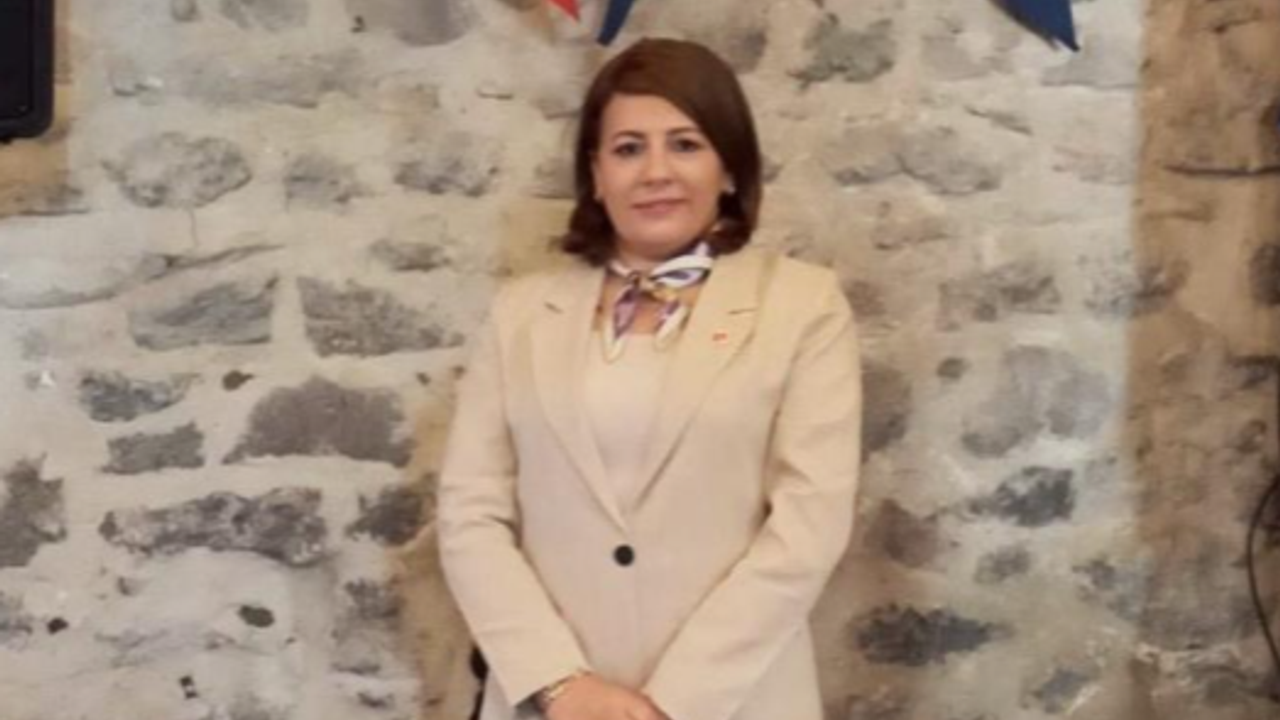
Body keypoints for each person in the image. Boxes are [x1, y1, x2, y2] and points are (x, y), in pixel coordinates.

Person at [438, 37, 862, 720]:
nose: (656, 171)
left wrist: (670, 704)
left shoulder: (803, 307)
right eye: (629, 148)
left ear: (730, 167)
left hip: (736, 700)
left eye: (686, 145)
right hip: (553, 705)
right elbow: (470, 516)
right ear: (597, 174)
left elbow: (808, 529)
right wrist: (560, 684)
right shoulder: (519, 315)